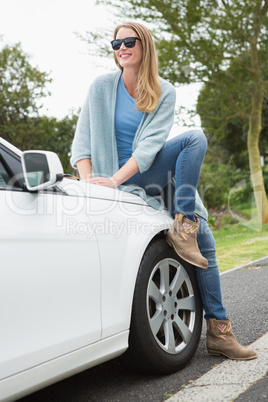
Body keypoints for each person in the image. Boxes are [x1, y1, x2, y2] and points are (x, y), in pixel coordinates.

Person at [71, 21, 257, 360]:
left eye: (129, 41)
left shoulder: (163, 91)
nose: (121, 48)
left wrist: (117, 180)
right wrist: (93, 185)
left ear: (145, 46)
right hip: (112, 178)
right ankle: (184, 226)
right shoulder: (100, 87)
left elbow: (149, 150)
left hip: (148, 173)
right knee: (194, 140)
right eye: (116, 44)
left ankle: (219, 330)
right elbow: (81, 146)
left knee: (206, 242)